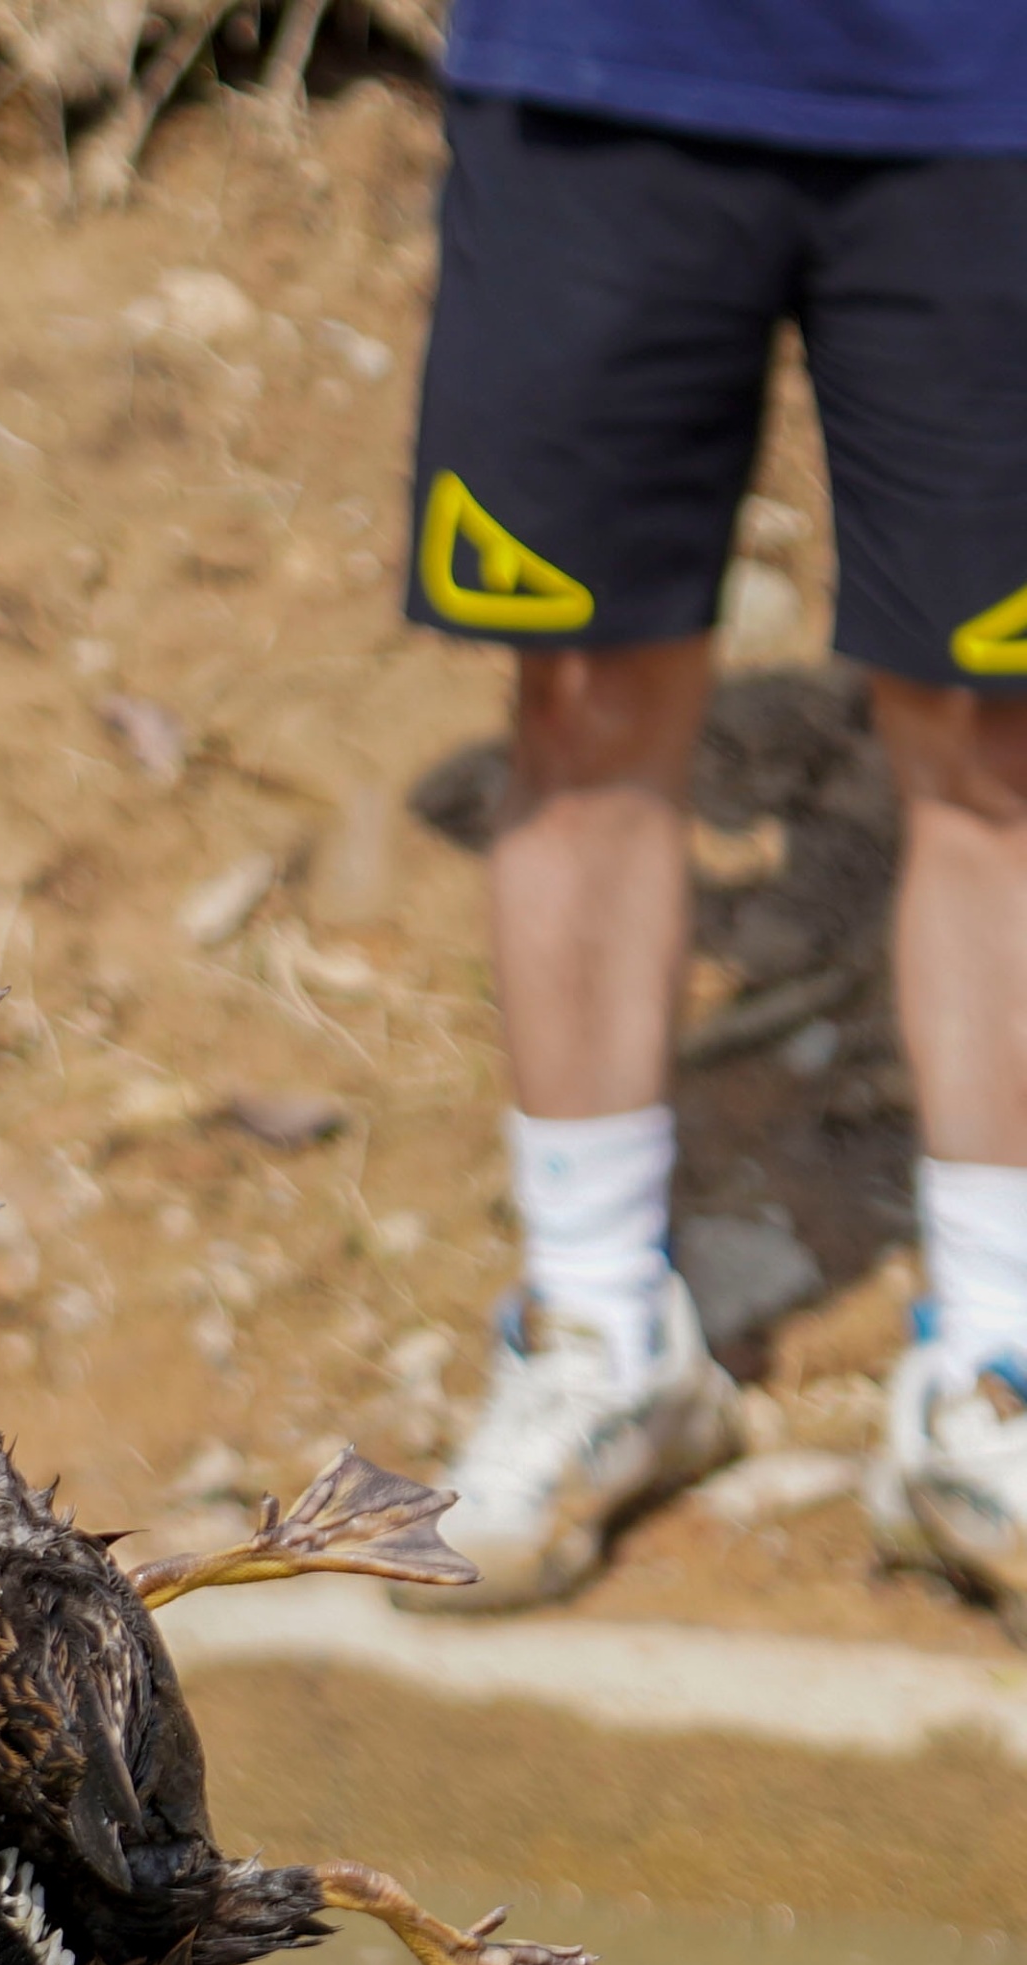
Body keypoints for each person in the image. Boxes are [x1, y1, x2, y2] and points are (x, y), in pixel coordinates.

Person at [392, 0, 1027, 1625]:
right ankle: (605, 1336)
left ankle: (997, 1378)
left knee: (996, 736)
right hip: (610, 68)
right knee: (580, 704)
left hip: (984, 81)